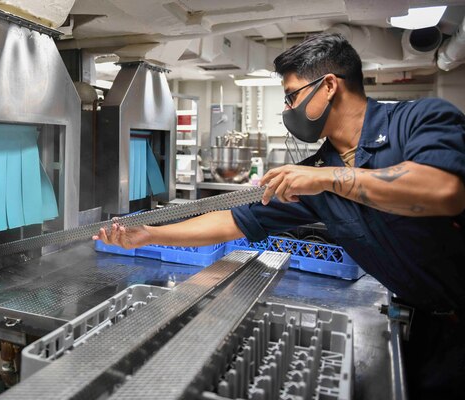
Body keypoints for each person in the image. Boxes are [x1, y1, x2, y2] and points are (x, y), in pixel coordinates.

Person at [94, 33, 465, 398]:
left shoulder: (420, 119)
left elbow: (441, 191)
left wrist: (327, 179)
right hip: (421, 325)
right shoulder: (317, 171)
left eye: (292, 96)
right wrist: (151, 234)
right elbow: (234, 220)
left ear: (330, 85)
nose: (288, 110)